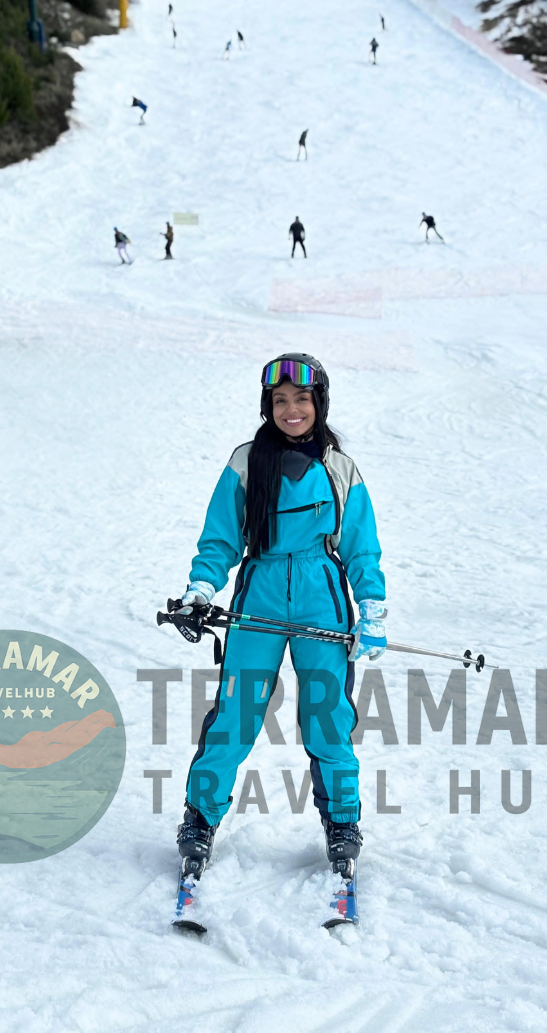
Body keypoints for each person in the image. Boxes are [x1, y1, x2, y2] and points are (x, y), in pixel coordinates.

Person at [174, 353, 386, 880]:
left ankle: (342, 824)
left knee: (327, 716)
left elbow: (361, 547)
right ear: (268, 406)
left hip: (323, 595)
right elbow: (221, 535)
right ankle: (200, 820)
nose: (291, 410)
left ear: (320, 404)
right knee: (237, 712)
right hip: (260, 591)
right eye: (280, 400)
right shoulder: (246, 462)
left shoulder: (340, 467)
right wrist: (202, 587)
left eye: (302, 400)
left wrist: (373, 609)